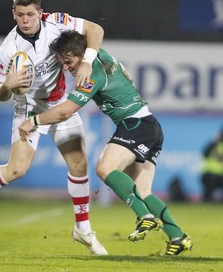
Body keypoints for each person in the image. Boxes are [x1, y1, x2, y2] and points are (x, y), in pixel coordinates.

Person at [0, 0, 108, 255]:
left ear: (39, 12)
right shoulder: (8, 48)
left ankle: (83, 229)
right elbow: (0, 94)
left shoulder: (57, 22)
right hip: (28, 108)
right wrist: (6, 86)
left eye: (30, 15)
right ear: (14, 14)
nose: (25, 20)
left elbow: (95, 29)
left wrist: (87, 62)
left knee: (79, 163)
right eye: (20, 15)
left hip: (58, 103)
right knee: (17, 170)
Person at [19, 30, 194, 256]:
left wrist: (33, 120)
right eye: (64, 63)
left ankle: (145, 216)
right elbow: (94, 37)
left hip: (135, 125)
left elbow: (65, 112)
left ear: (81, 56)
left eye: (69, 62)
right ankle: (178, 236)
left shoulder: (92, 75)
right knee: (142, 191)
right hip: (150, 125)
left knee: (104, 168)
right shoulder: (99, 55)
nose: (67, 68)